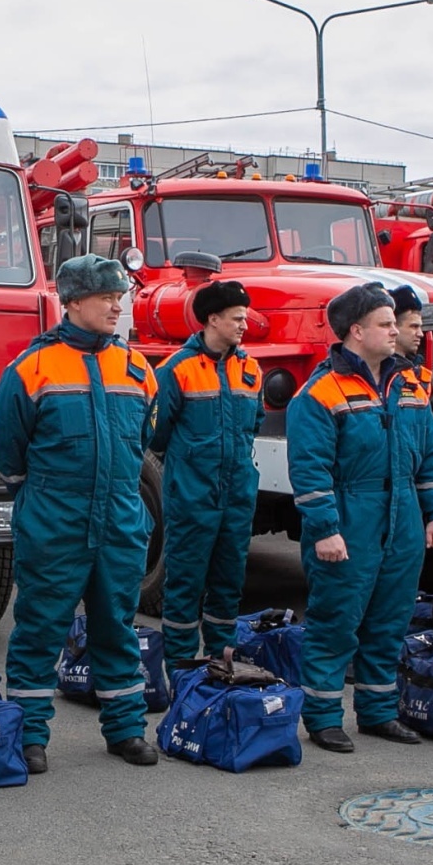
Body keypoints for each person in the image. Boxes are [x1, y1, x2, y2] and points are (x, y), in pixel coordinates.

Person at [0, 254, 160, 772]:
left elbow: (144, 439)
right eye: (107, 297)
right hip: (54, 519)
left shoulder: (136, 367)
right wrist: (45, 500)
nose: (117, 306)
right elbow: (9, 452)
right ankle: (29, 735)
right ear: (72, 303)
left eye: (119, 296)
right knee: (41, 626)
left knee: (117, 626)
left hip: (119, 521)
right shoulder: (31, 368)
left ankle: (127, 730)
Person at [286, 283, 433, 751]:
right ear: (356, 332)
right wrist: (325, 530)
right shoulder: (320, 393)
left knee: (390, 619)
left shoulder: (410, 384)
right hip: (350, 515)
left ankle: (379, 712)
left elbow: (431, 456)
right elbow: (310, 470)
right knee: (336, 621)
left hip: (403, 517)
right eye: (385, 323)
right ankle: (321, 716)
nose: (395, 330)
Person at [148, 279, 262, 660]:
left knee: (228, 583)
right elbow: (157, 434)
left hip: (237, 495)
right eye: (237, 318)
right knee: (185, 583)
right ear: (212, 319)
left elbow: (254, 423)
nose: (244, 325)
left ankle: (221, 661)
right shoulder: (176, 370)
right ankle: (181, 669)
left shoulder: (251, 369)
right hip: (192, 498)